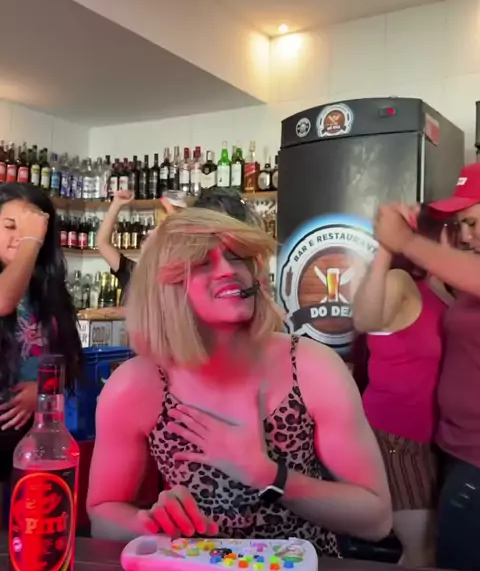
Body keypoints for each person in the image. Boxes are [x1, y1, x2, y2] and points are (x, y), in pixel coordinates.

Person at [87, 208, 392, 551]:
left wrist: (268, 475)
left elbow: (376, 519)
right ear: (164, 289)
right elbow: (102, 513)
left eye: (237, 257)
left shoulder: (311, 367)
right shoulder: (136, 385)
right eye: (203, 262)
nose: (228, 270)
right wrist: (149, 526)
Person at [374, 163, 480, 571]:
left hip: (475, 461)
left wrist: (403, 240)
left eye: (473, 222)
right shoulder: (462, 280)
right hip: (452, 449)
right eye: (459, 225)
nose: (465, 235)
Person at [353, 207, 452, 567]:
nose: (464, 238)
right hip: (397, 439)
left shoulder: (444, 290)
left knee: (426, 549)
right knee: (422, 549)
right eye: (456, 229)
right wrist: (386, 247)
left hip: (431, 441)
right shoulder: (401, 282)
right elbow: (364, 319)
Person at [0, 182, 82, 488]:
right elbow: (3, 302)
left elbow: (71, 358)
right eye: (10, 226)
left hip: (34, 435)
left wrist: (43, 389)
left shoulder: (48, 288)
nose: (19, 237)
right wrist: (30, 239)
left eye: (31, 230)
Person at [97, 186, 260, 302]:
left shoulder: (183, 281)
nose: (150, 234)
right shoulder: (134, 274)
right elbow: (102, 243)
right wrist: (116, 204)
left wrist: (177, 220)